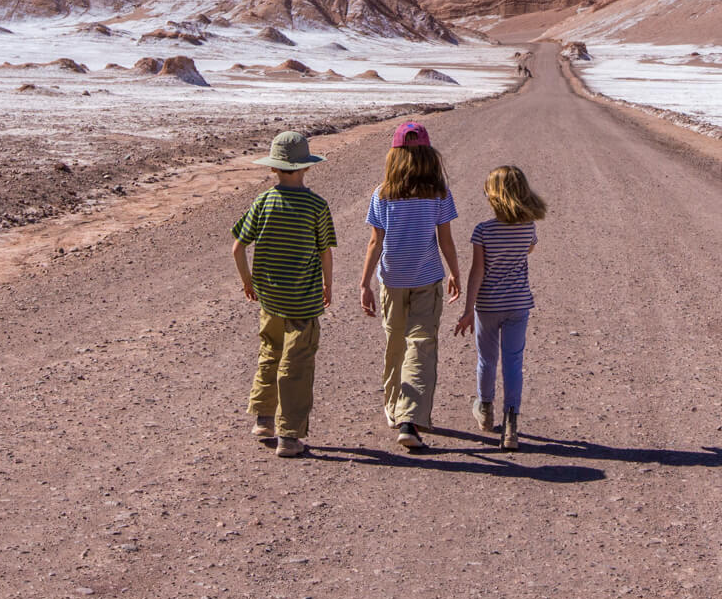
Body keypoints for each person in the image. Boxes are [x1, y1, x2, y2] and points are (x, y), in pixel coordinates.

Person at [231, 130, 335, 459]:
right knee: (297, 363)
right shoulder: (317, 206)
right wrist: (328, 285)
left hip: (269, 298)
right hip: (303, 301)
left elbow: (237, 247)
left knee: (270, 352)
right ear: (306, 167)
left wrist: (248, 281)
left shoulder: (263, 201)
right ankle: (289, 435)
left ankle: (263, 420)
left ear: (274, 168)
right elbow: (325, 252)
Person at [359, 121, 460, 451]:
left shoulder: (383, 193)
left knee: (396, 343)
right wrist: (454, 272)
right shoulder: (438, 193)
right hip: (427, 277)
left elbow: (376, 242)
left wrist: (364, 284)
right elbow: (445, 238)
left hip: (392, 279)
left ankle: (393, 409)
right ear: (429, 155)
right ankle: (409, 418)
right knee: (421, 344)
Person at [455, 165, 546, 451]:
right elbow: (529, 249)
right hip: (518, 304)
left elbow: (477, 272)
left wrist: (468, 309)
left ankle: (484, 409)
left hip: (488, 304)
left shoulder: (483, 231)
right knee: (513, 361)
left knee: (487, 359)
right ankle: (511, 422)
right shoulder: (528, 227)